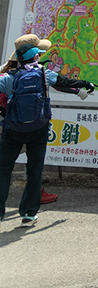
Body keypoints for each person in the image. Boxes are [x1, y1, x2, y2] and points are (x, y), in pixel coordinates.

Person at [0, 35, 93, 228]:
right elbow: (64, 82)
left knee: (3, 170)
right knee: (35, 171)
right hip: (38, 128)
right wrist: (84, 85)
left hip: (13, 129)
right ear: (35, 57)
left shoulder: (9, 77)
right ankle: (28, 214)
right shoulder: (43, 73)